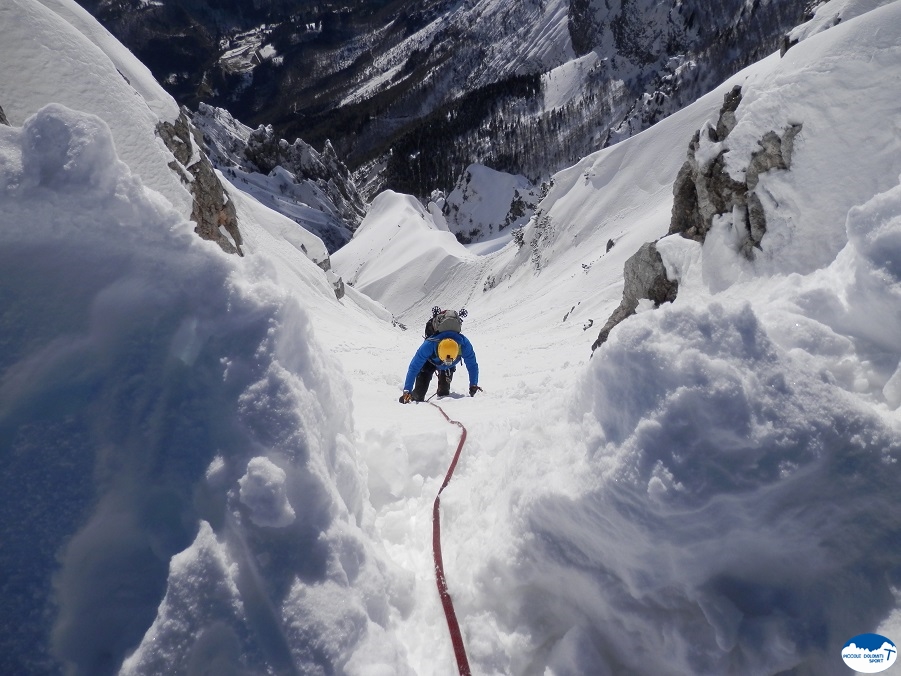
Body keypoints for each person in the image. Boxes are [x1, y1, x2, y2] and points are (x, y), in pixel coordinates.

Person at [399, 319, 480, 403]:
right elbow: (414, 367)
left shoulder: (464, 344)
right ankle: (415, 397)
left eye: (449, 360)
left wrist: (473, 385)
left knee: (444, 393)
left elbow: (472, 366)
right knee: (418, 395)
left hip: (448, 367)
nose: (445, 361)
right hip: (430, 363)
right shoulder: (429, 345)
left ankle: (442, 388)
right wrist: (407, 390)